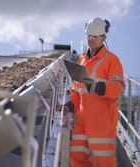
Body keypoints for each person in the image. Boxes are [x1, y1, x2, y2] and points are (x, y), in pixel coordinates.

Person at [63, 17, 125, 167]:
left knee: (103, 161)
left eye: (94, 37)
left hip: (102, 119)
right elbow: (77, 91)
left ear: (104, 37)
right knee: (76, 157)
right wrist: (69, 107)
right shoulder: (82, 60)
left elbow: (119, 87)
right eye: (88, 36)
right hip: (82, 118)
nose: (90, 39)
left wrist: (99, 88)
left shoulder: (111, 60)